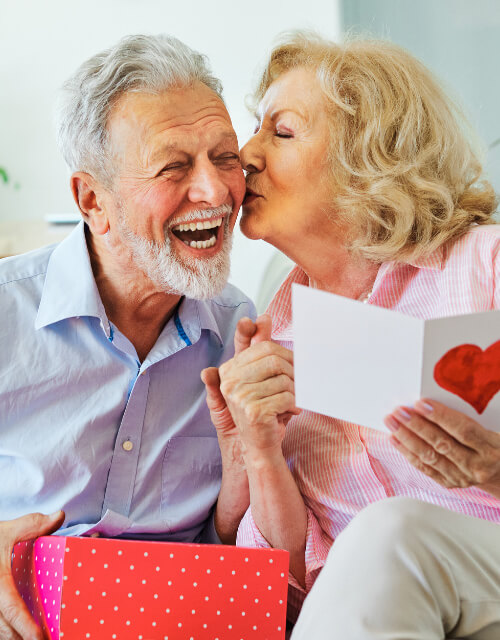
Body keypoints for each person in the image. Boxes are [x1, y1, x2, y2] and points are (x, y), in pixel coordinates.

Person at [202, 32, 500, 639]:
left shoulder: (484, 266)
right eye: (255, 130)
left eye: (281, 132)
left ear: (372, 157)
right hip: (382, 616)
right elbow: (287, 587)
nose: (246, 156)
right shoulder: (273, 334)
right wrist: (259, 451)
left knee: (393, 533)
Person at [0, 34, 256, 640]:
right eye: (174, 167)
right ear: (93, 199)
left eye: (225, 158)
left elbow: (229, 544)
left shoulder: (239, 330)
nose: (216, 192)